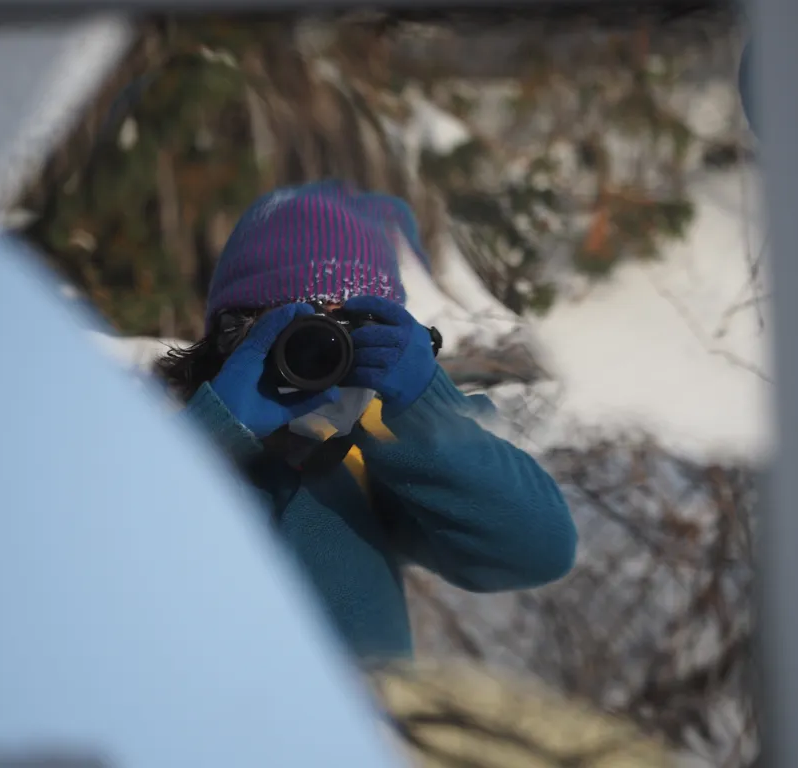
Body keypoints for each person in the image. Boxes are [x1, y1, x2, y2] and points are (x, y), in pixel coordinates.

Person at [158, 180, 578, 660]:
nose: (324, 352)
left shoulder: (372, 455)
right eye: (299, 329)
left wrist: (426, 410)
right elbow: (112, 569)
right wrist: (214, 436)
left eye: (351, 331)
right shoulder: (152, 442)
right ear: (233, 338)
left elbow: (538, 549)